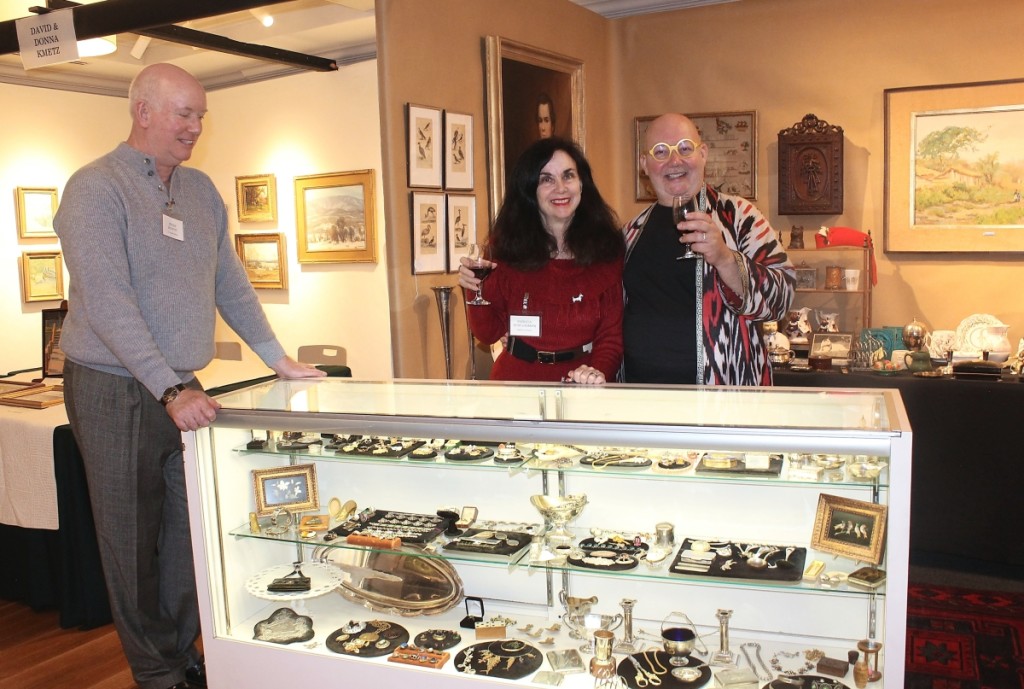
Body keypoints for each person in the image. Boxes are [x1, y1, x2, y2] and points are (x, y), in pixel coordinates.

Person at [53, 63, 324, 689]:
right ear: (142, 111)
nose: (196, 127)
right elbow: (109, 301)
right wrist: (169, 387)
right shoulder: (95, 188)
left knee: (188, 531)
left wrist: (275, 356)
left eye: (201, 115)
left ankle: (179, 652)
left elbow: (229, 279)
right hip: (112, 386)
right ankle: (156, 672)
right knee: (129, 539)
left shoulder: (201, 191)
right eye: (185, 113)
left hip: (181, 386)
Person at [623, 113, 794, 385]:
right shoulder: (630, 233)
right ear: (644, 164)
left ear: (703, 154)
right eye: (660, 151)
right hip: (641, 401)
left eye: (684, 148)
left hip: (722, 404)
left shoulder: (741, 217)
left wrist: (725, 259)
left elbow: (781, 299)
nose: (674, 160)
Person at [459, 137, 624, 384]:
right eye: (546, 179)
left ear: (582, 184)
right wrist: (473, 290)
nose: (560, 188)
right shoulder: (503, 250)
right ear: (529, 190)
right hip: (515, 387)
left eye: (568, 176)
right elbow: (487, 332)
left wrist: (596, 374)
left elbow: (611, 337)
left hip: (582, 389)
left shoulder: (606, 250)